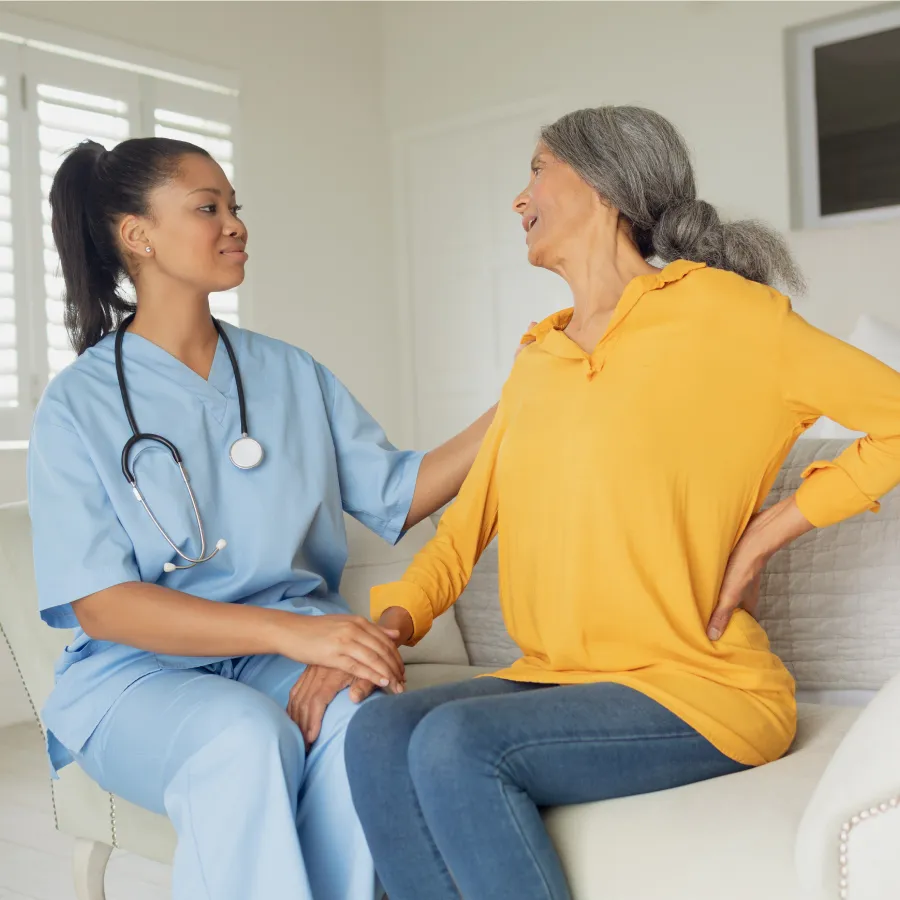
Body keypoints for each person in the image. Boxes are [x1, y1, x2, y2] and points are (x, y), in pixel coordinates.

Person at [343, 105, 900, 900]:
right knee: (380, 731)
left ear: (603, 185)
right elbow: (463, 531)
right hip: (558, 677)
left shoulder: (731, 315)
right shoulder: (540, 356)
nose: (518, 197)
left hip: (698, 687)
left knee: (457, 743)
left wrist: (771, 531)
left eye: (537, 169)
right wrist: (389, 626)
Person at [28, 137, 499, 900]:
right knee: (243, 738)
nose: (235, 224)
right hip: (140, 680)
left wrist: (524, 404)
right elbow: (103, 604)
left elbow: (399, 491)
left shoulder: (289, 372)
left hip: (291, 654)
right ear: (136, 235)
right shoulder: (78, 404)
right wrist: (300, 634)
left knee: (366, 720)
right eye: (208, 208)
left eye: (235, 208)